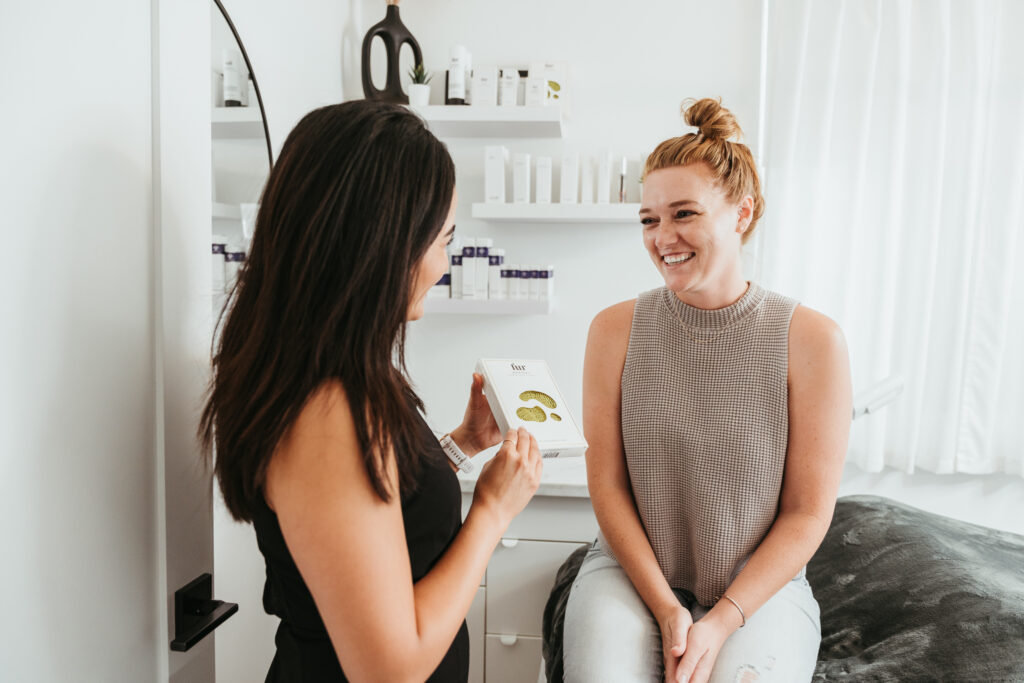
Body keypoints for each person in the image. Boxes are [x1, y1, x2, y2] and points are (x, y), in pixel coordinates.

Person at [199, 100, 542, 682]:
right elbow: (389, 671)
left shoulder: (326, 373)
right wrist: (491, 511)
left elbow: (383, 517)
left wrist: (457, 446)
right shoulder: (327, 409)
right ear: (381, 244)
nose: (445, 262)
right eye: (442, 240)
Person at [562, 98, 852, 683]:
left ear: (742, 213)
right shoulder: (614, 331)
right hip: (631, 572)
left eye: (684, 214)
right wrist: (669, 609)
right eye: (648, 219)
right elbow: (608, 485)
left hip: (758, 591)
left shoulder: (812, 340)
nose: (662, 237)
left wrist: (719, 621)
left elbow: (807, 512)